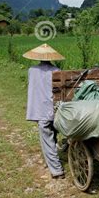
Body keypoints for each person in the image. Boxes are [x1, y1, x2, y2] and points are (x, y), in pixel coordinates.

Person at [23, 43, 65, 179]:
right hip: (56, 110)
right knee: (52, 133)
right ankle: (52, 160)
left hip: (41, 111)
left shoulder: (32, 70)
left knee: (47, 139)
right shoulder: (56, 70)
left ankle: (57, 170)